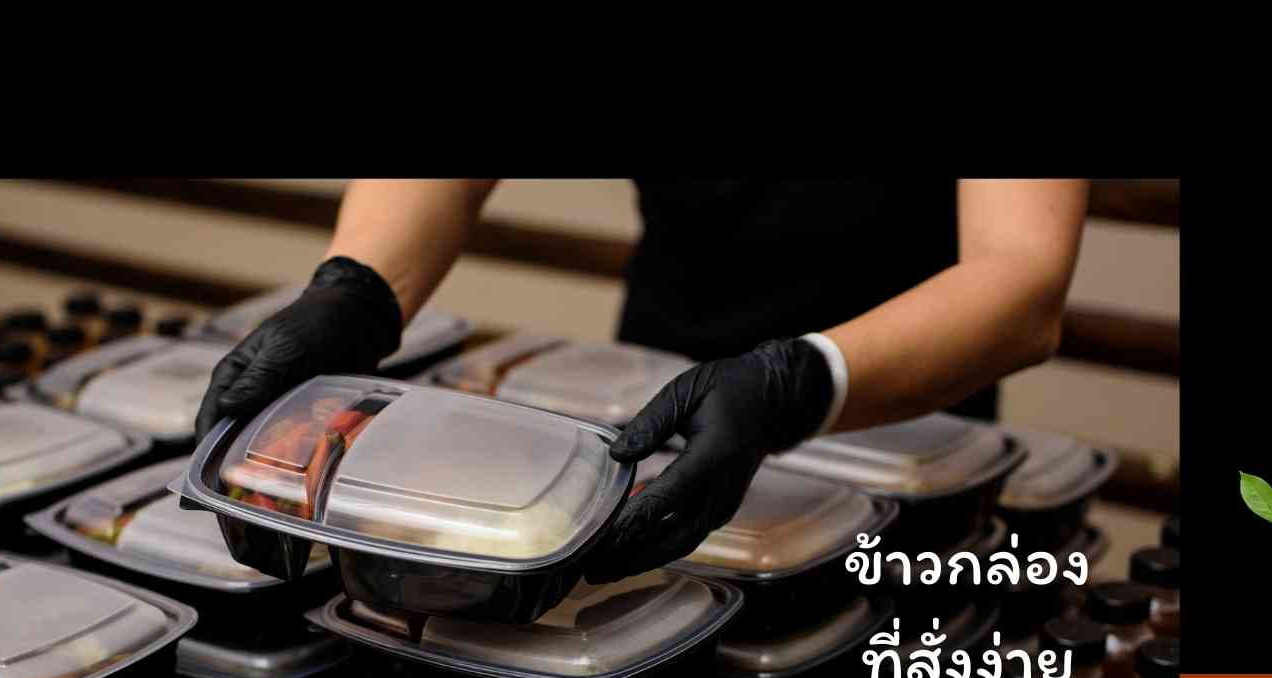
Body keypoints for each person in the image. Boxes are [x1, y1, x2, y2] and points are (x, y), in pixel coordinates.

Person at [192, 179, 1087, 583]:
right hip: (655, 421)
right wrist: (357, 291)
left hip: (901, 429)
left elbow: (1021, 279)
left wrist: (797, 383)